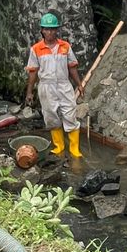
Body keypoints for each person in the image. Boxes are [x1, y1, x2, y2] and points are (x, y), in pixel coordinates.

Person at [22, 11, 84, 158]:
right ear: (42, 30)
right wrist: (29, 92)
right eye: (47, 29)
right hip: (46, 86)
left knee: (70, 113)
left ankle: (74, 149)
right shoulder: (36, 49)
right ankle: (59, 146)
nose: (50, 32)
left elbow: (72, 67)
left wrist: (79, 84)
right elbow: (33, 72)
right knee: (51, 116)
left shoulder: (65, 46)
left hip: (64, 84)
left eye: (53, 29)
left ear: (57, 30)